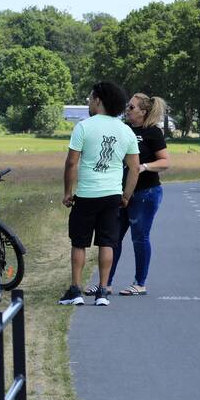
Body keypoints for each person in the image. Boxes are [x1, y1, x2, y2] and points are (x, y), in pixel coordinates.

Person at [59, 82, 140, 308]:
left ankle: (76, 289)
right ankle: (103, 291)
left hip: (86, 194)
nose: (89, 101)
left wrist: (68, 192)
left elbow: (71, 162)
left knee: (79, 242)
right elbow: (134, 168)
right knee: (107, 242)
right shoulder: (126, 130)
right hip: (112, 194)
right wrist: (126, 195)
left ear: (98, 100)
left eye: (90, 97)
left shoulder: (83, 127)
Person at [91, 93, 170, 297]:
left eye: (132, 108)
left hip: (146, 192)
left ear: (143, 112)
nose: (127, 110)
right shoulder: (124, 130)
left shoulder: (152, 132)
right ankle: (105, 282)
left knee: (139, 237)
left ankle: (140, 282)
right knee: (113, 237)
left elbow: (165, 162)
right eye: (127, 107)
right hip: (121, 192)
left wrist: (143, 166)